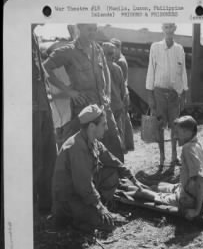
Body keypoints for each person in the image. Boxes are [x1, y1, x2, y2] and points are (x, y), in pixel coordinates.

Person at [51, 104, 147, 233]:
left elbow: (113, 161)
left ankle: (91, 210)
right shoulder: (77, 148)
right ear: (92, 127)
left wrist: (133, 179)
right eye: (103, 124)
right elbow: (83, 185)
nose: (106, 128)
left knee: (112, 172)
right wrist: (100, 207)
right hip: (70, 199)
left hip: (82, 193)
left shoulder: (93, 141)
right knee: (109, 224)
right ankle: (76, 219)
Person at [43, 23, 124, 162]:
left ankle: (117, 179)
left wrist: (108, 94)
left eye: (94, 29)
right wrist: (69, 92)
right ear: (79, 29)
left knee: (113, 141)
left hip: (102, 105)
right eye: (89, 29)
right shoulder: (68, 51)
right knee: (84, 148)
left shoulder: (97, 49)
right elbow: (45, 68)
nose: (92, 33)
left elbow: (105, 70)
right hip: (83, 108)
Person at [120, 116, 203, 220]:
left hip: (188, 199)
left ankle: (122, 191)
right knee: (157, 186)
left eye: (177, 132)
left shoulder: (188, 149)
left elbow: (201, 179)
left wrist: (196, 210)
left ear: (186, 132)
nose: (175, 136)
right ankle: (128, 186)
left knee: (145, 194)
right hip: (188, 190)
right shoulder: (199, 143)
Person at [145, 23, 189, 167]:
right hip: (159, 92)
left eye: (171, 27)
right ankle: (162, 158)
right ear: (162, 29)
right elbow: (151, 70)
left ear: (175, 29)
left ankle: (174, 157)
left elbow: (183, 72)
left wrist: (184, 93)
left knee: (175, 126)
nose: (169, 30)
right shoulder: (155, 47)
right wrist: (150, 96)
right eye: (166, 27)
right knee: (159, 126)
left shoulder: (179, 49)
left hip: (174, 94)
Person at [32, 24, 58, 214]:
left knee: (49, 155)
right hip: (31, 110)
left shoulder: (33, 37)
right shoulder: (14, 33)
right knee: (34, 158)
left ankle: (46, 204)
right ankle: (32, 205)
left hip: (43, 107)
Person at [102, 42, 128, 153]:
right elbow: (123, 89)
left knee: (106, 133)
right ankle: (120, 154)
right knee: (119, 131)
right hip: (118, 105)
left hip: (106, 107)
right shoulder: (117, 68)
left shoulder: (100, 68)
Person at [110, 38, 135, 151]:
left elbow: (120, 81)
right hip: (124, 93)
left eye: (113, 48)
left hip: (121, 94)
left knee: (121, 122)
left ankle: (123, 146)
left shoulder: (119, 62)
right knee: (125, 120)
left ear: (118, 48)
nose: (112, 51)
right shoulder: (121, 58)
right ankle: (128, 144)